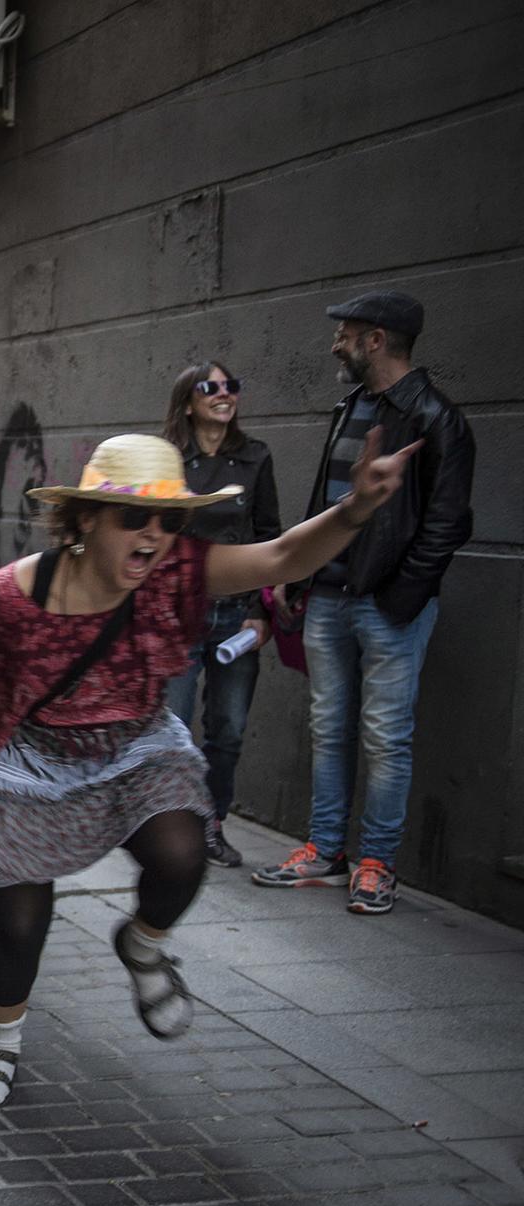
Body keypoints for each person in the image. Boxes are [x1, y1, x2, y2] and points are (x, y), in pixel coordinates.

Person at [0, 431, 421, 1107]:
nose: (155, 534)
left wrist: (356, 508)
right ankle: (1, 1039)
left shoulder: (179, 570)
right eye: (135, 517)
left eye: (170, 519)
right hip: (32, 761)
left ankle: (143, 946)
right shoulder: (4, 598)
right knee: (22, 923)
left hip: (136, 743)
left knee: (183, 850)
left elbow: (284, 555)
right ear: (85, 517)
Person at [252, 291, 476, 914]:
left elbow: (448, 524)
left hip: (387, 607)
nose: (334, 344)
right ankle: (325, 850)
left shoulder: (437, 418)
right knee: (328, 729)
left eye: (345, 334)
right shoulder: (349, 406)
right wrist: (298, 574)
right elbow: (325, 503)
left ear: (375, 340)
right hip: (327, 598)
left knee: (385, 737)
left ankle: (377, 862)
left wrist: (398, 599)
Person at [158, 362, 282, 867]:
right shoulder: (166, 460)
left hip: (236, 615)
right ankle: (169, 825)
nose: (225, 394)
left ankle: (212, 824)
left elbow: (268, 534)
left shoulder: (255, 458)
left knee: (228, 728)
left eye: (233, 385)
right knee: (175, 728)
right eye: (211, 388)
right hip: (180, 612)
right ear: (189, 401)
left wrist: (261, 611)